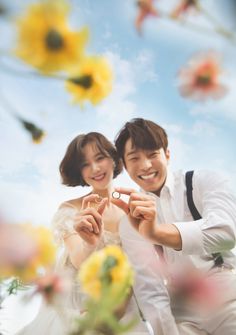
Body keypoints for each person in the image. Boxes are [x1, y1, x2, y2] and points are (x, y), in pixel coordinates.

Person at [16, 132, 149, 335]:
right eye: (85, 164)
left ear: (113, 159)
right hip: (79, 307)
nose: (95, 169)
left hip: (123, 310)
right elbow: (78, 259)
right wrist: (90, 243)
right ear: (79, 172)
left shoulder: (132, 207)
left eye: (100, 158)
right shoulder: (70, 209)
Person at [112, 118, 236, 335]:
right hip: (181, 312)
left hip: (227, 298)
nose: (146, 165)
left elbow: (225, 233)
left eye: (153, 154)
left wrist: (156, 233)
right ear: (124, 165)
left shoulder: (204, 181)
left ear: (167, 154)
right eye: (134, 158)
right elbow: (150, 289)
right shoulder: (129, 222)